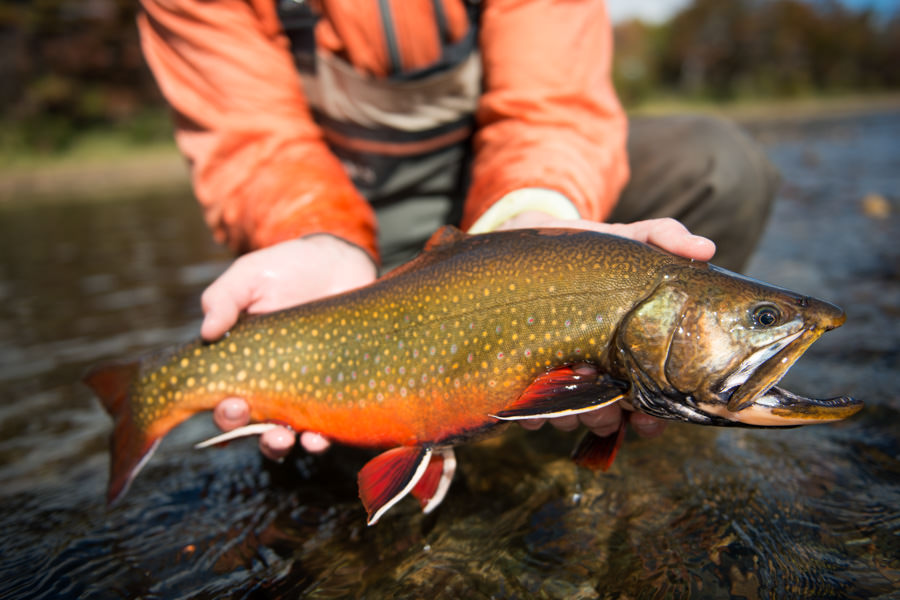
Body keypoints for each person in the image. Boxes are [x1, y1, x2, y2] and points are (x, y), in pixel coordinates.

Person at [137, 0, 777, 461]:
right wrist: (312, 236)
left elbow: (550, 103)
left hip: (506, 197)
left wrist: (534, 227)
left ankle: (627, 430)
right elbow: (256, 144)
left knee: (716, 165)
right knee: (319, 459)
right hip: (343, 221)